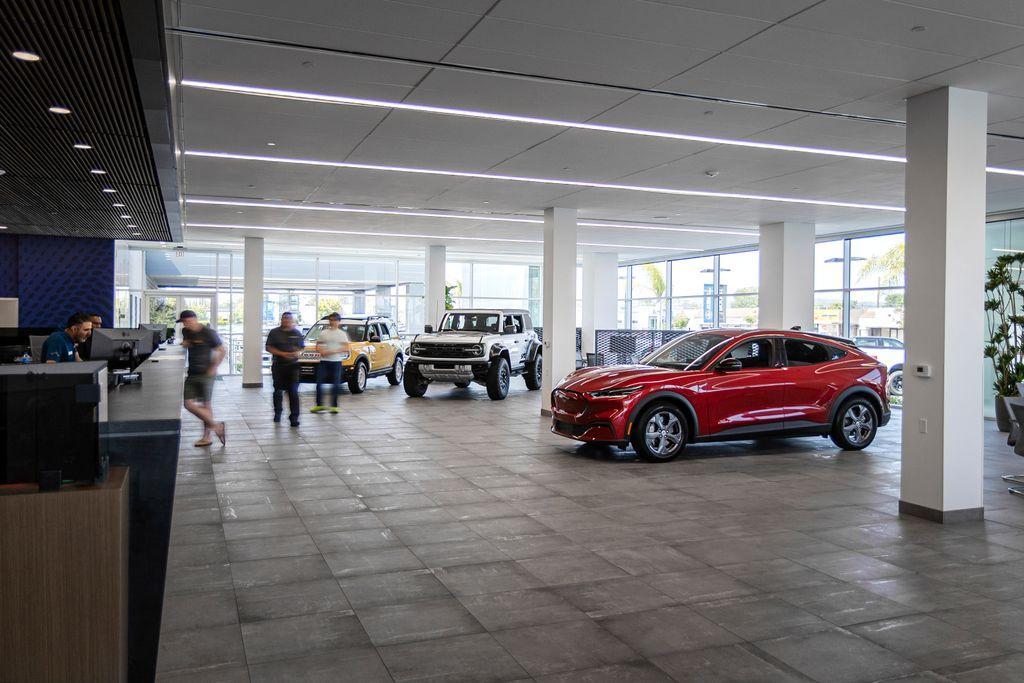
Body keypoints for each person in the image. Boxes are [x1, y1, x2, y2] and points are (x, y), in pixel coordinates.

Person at [179, 310, 226, 447]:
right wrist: (185, 344)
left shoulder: (208, 333)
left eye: (187, 321)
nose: (185, 324)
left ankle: (207, 437)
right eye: (183, 322)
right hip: (192, 372)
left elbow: (222, 350)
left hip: (206, 374)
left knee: (206, 405)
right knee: (188, 404)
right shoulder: (186, 331)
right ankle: (216, 426)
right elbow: (186, 342)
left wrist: (214, 366)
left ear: (194, 319)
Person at [266, 312, 304, 426]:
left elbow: (302, 348)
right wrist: (282, 354)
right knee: (278, 391)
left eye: (288, 319)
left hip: (293, 367)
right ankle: (278, 413)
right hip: (279, 365)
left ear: (292, 320)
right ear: (281, 320)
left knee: (293, 392)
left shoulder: (297, 333)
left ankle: (294, 418)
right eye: (284, 319)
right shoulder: (274, 332)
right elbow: (268, 347)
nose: (286, 321)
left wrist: (297, 352)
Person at [311, 312, 349, 414]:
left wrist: (333, 351)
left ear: (339, 322)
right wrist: (321, 351)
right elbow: (318, 345)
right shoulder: (324, 333)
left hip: (336, 362)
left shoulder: (342, 334)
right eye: (331, 320)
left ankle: (334, 406)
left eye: (335, 320)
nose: (332, 322)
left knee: (335, 385)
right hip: (324, 362)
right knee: (319, 384)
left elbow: (346, 347)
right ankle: (319, 405)